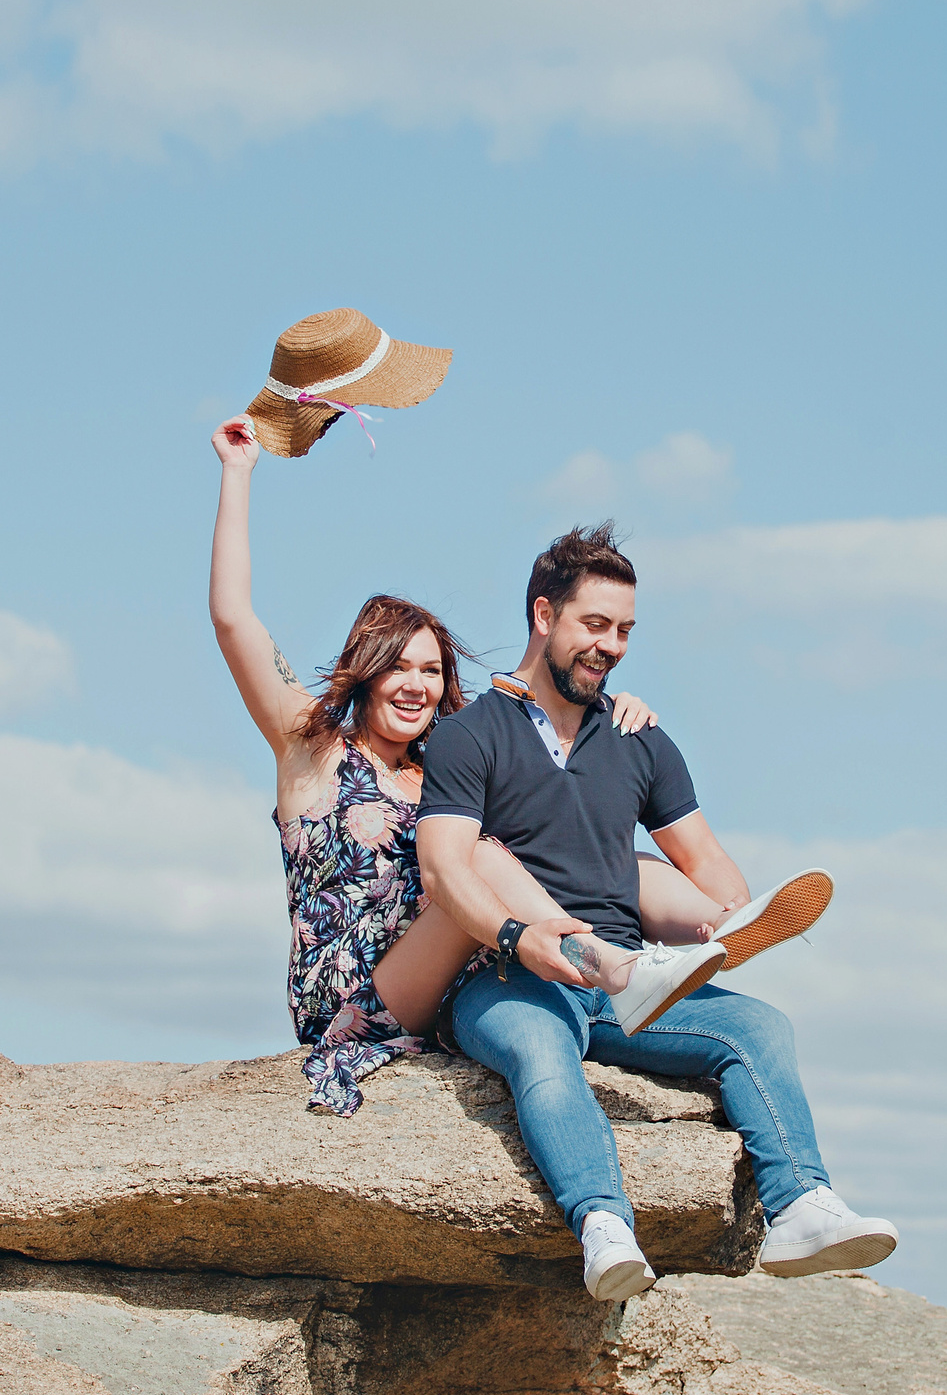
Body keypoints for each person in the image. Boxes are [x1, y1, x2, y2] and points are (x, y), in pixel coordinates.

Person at [209, 416, 805, 1117]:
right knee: (484, 855)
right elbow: (232, 619)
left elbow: (550, 760)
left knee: (614, 856)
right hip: (363, 995)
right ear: (365, 672)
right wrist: (238, 473)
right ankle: (614, 967)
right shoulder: (313, 753)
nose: (416, 684)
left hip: (454, 981)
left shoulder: (445, 766)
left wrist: (612, 714)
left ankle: (720, 923)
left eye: (431, 670)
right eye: (397, 665)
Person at [415, 523, 897, 1300]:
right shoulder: (471, 735)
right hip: (509, 976)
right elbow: (444, 865)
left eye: (626, 631)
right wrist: (514, 935)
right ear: (544, 616)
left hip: (622, 983)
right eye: (595, 626)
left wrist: (732, 914)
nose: (611, 646)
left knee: (759, 1027)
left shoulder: (640, 739)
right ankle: (603, 1223)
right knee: (541, 1052)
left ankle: (801, 1202)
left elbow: (703, 856)